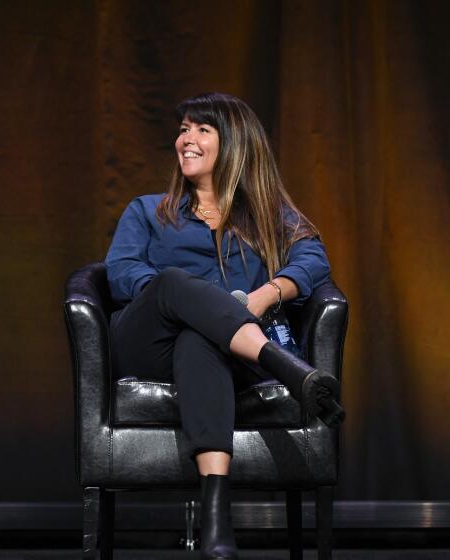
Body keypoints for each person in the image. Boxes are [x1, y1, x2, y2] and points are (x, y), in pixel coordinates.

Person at [105, 92, 344, 560]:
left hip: (228, 354)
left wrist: (260, 297)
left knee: (202, 339)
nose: (185, 140)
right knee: (177, 287)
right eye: (182, 130)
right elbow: (121, 271)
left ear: (233, 143)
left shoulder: (270, 215)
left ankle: (217, 518)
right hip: (150, 343)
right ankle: (290, 369)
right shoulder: (149, 211)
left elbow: (314, 261)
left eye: (201, 130)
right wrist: (185, 301)